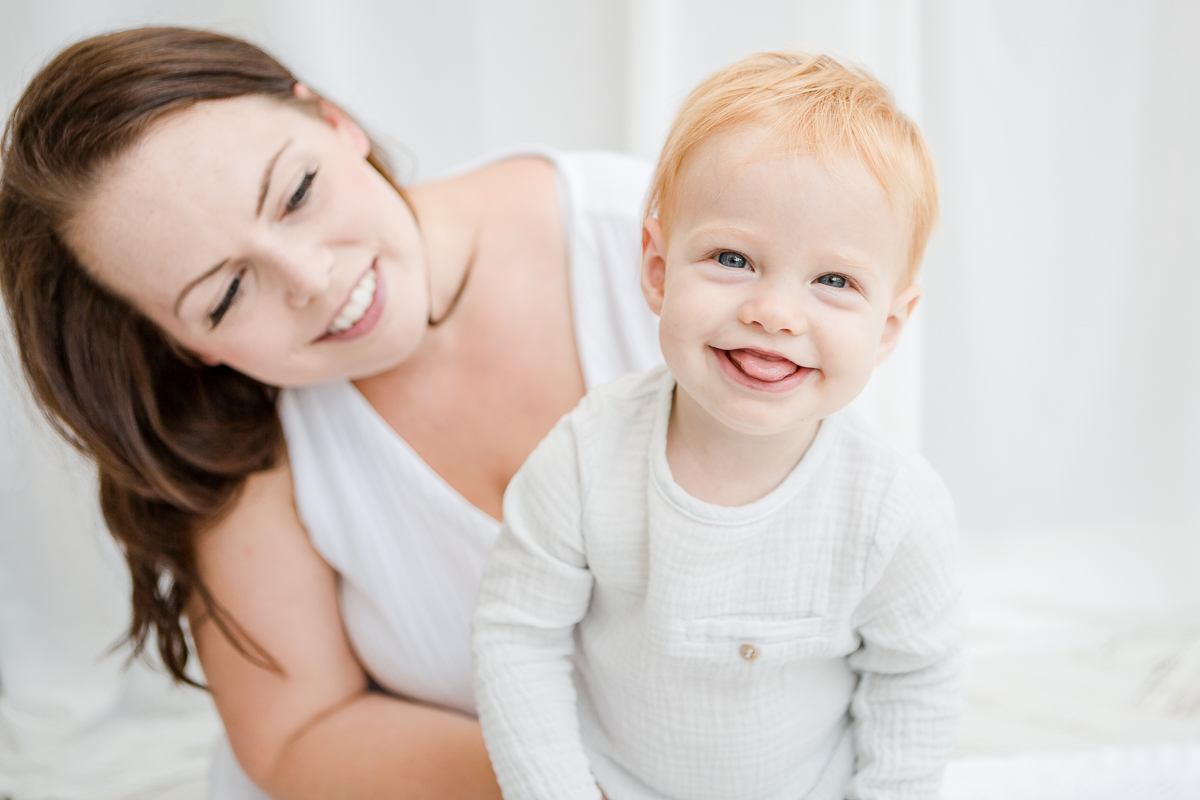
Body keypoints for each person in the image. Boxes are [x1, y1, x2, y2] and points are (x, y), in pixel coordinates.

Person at [0, 26, 659, 800]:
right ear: (182, 343)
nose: (310, 277)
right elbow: (298, 735)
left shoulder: (657, 242)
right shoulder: (238, 437)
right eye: (225, 295)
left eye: (298, 193)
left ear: (332, 121)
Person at [472, 52, 963, 800]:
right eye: (733, 258)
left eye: (834, 281)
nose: (774, 312)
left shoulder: (893, 507)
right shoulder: (586, 454)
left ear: (889, 325)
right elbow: (517, 634)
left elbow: (914, 683)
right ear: (659, 270)